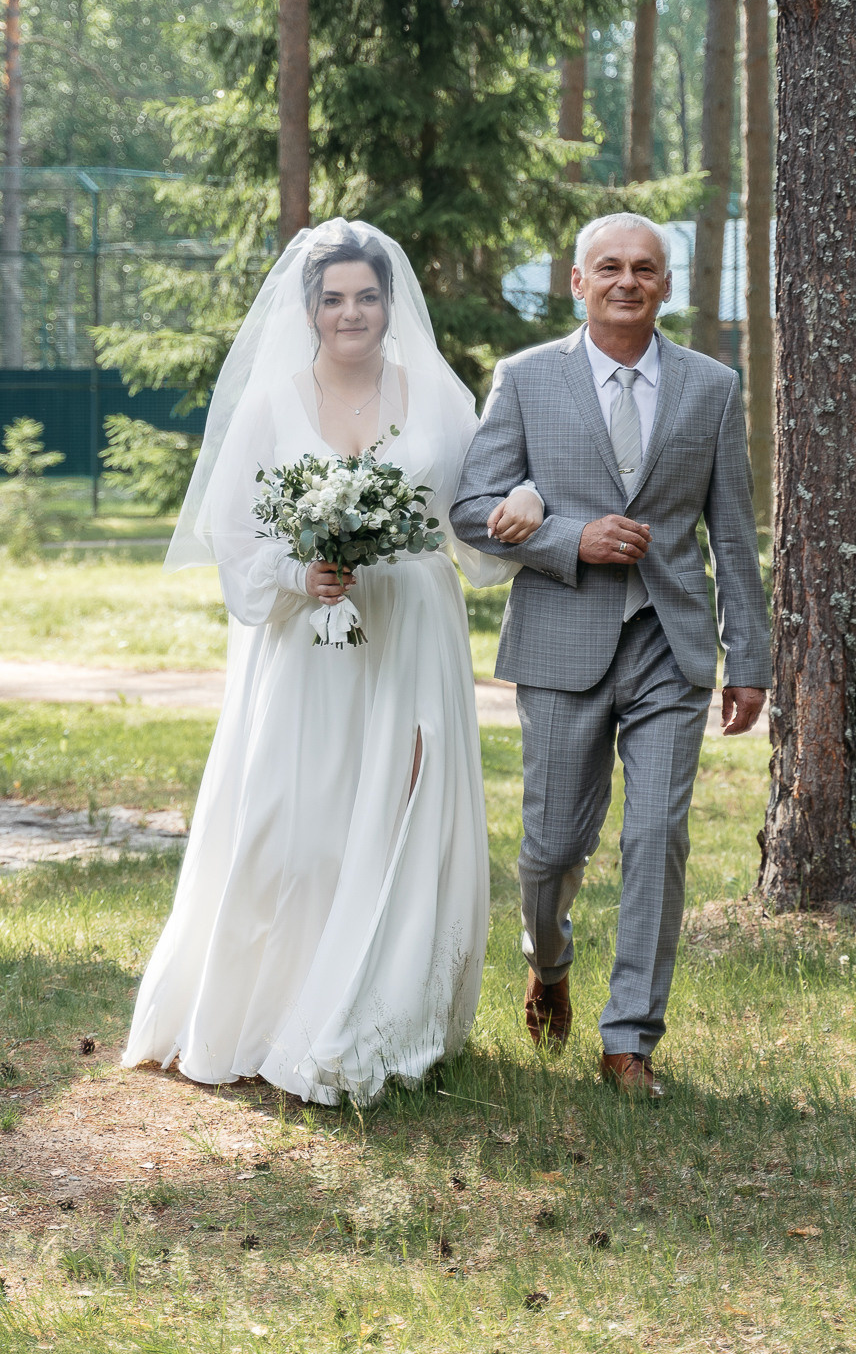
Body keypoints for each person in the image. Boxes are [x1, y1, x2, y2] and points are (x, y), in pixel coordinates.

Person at [122, 219, 544, 1106]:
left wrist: (527, 501)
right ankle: (275, 1006)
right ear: (309, 309)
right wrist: (296, 573)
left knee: (405, 808)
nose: (351, 313)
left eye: (367, 297)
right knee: (298, 820)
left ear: (391, 304)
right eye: (334, 298)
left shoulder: (436, 396)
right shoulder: (272, 405)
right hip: (308, 635)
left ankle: (384, 1017)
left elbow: (476, 508)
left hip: (412, 626)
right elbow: (234, 530)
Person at [451, 212, 770, 1100]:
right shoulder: (525, 379)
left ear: (666, 285)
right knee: (551, 846)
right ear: (578, 282)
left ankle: (629, 1041)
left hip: (672, 641)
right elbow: (472, 507)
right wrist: (570, 538)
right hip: (561, 636)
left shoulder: (712, 386)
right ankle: (546, 960)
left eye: (645, 268)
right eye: (609, 267)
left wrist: (749, 657)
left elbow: (732, 532)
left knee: (656, 834)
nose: (627, 281)